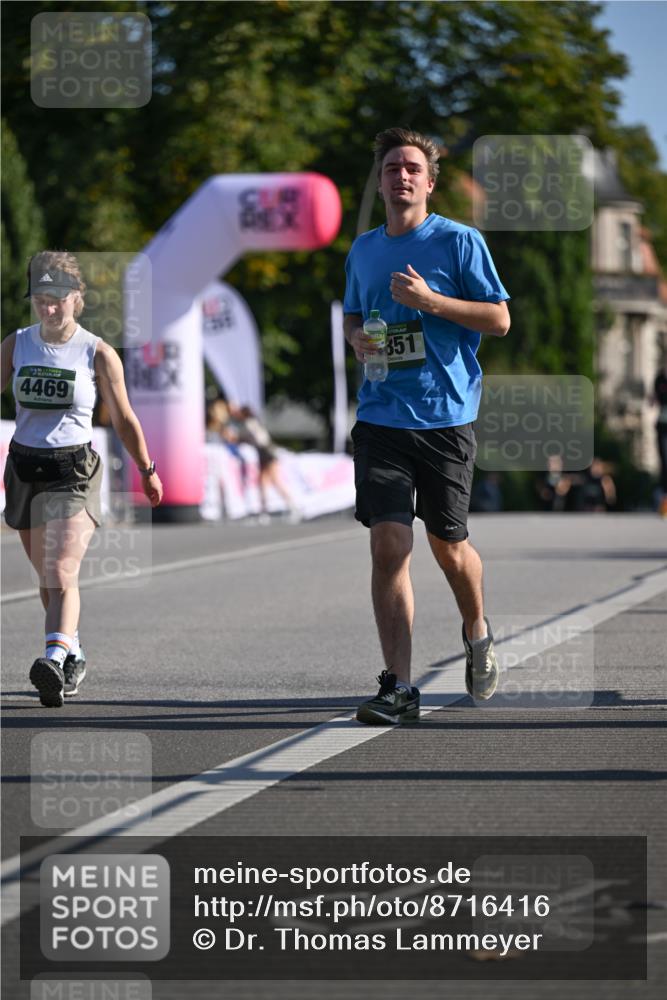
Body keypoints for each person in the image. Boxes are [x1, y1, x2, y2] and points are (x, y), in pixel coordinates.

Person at [343, 127, 510, 725]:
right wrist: (356, 338)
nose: (402, 177)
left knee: (449, 546)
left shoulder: (459, 242)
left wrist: (431, 302)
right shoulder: (362, 249)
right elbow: (354, 313)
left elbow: (499, 319)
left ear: (429, 182)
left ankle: (476, 628)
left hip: (446, 418)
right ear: (382, 181)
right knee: (389, 542)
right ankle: (400, 686)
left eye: (412, 168)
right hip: (382, 414)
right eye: (391, 168)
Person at [1, 251, 163, 707]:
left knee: (61, 570)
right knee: (47, 581)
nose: (48, 308)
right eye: (39, 299)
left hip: (73, 471)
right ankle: (72, 650)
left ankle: (52, 658)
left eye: (56, 299)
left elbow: (126, 419)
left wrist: (147, 469)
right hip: (25, 470)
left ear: (77, 299)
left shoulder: (97, 353)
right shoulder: (17, 345)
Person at [228, 403, 302, 524]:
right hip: (263, 455)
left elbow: (254, 439)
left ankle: (293, 507)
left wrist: (236, 438)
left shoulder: (249, 424)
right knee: (262, 484)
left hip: (267, 454)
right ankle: (264, 512)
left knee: (275, 482)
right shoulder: (250, 423)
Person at [651, 363, 667, 515]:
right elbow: (654, 399)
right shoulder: (659, 379)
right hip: (662, 425)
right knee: (664, 462)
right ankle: (664, 501)